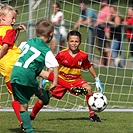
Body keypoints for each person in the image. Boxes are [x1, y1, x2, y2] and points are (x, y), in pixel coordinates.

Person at [30, 30, 104, 122]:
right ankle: (32, 116)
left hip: (76, 80)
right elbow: (53, 65)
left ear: (80, 42)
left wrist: (96, 79)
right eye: (72, 41)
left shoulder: (83, 56)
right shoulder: (62, 54)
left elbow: (89, 66)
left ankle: (92, 115)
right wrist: (48, 79)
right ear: (67, 42)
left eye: (76, 41)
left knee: (88, 89)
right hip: (61, 80)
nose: (74, 43)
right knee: (45, 96)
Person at [0, 4, 26, 127]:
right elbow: (5, 47)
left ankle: (22, 122)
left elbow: (8, 42)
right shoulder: (9, 30)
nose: (14, 20)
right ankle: (44, 86)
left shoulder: (6, 30)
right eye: (12, 18)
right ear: (3, 17)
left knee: (13, 96)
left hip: (5, 68)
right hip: (15, 63)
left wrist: (17, 31)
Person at [94, 0, 111, 66]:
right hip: (99, 30)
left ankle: (109, 64)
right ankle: (103, 63)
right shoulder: (102, 9)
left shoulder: (107, 9)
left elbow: (108, 19)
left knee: (107, 48)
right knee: (101, 48)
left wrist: (100, 23)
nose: (101, 2)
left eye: (102, 1)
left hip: (105, 31)